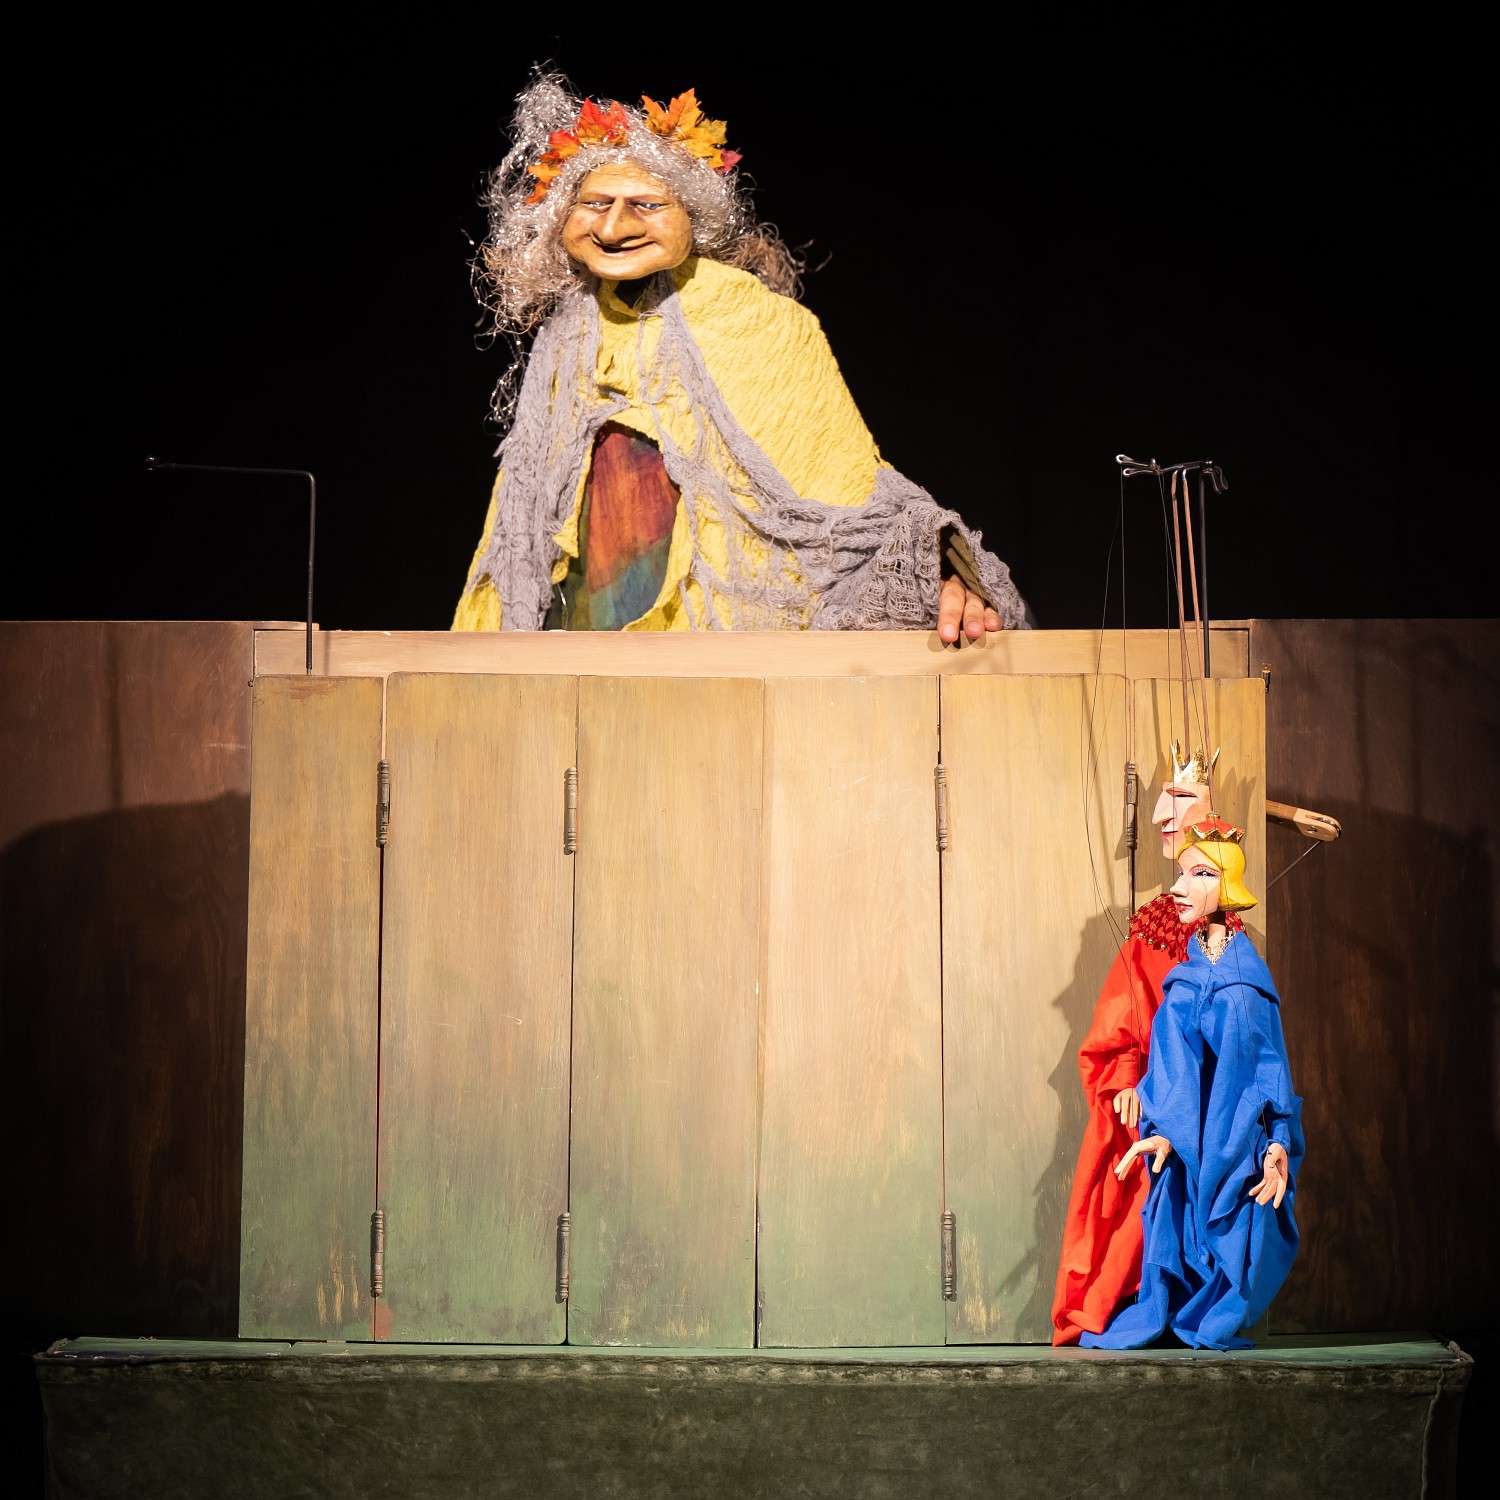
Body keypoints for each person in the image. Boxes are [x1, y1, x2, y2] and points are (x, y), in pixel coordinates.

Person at [452, 76, 1027, 638]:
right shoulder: (565, 336)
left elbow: (844, 490)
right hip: (574, 640)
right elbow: (521, 518)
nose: (614, 226)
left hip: (713, 645)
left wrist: (939, 573)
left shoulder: (758, 322)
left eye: (646, 204)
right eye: (595, 203)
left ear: (692, 215)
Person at [1079, 816, 1304, 1350]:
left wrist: (1278, 1140)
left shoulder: (1247, 982)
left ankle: (1217, 1313)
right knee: (1172, 1210)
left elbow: (1268, 1064)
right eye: (1181, 874)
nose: (1179, 887)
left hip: (1234, 1135)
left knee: (1234, 1220)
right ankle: (1173, 1307)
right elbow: (1171, 1060)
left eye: (1200, 875)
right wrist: (1161, 1127)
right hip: (1188, 1134)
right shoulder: (1185, 975)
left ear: (1227, 885)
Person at [1050, 743, 1241, 1345]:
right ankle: (1141, 1294)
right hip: (1157, 1093)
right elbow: (1124, 1022)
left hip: (1211, 1097)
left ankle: (1203, 1302)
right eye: (1162, 797)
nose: (1162, 814)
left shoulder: (1229, 939)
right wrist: (1128, 1079)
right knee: (1133, 1159)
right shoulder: (1153, 930)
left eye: (1180, 798)